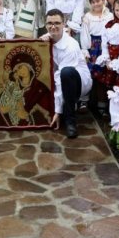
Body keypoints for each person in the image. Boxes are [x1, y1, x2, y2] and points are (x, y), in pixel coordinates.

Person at [43, 8, 91, 139]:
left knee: (66, 73)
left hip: (79, 82)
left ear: (64, 24)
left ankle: (70, 121)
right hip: (59, 78)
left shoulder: (71, 45)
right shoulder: (45, 40)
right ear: (45, 25)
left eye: (57, 23)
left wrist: (58, 111)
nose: (53, 27)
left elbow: (60, 78)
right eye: (50, 23)